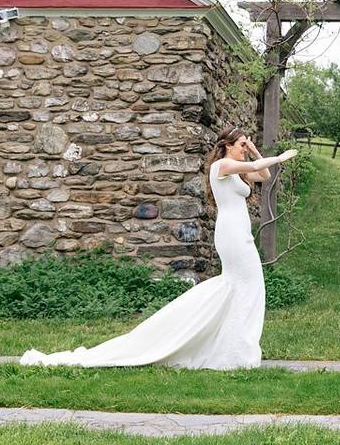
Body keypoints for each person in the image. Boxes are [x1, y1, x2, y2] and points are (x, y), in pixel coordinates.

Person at [19, 125, 298, 369]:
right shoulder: (221, 167)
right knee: (242, 285)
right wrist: (279, 156)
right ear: (226, 147)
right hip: (231, 236)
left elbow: (262, 175)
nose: (243, 150)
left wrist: (255, 151)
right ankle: (234, 351)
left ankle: (233, 346)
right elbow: (250, 169)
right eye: (240, 145)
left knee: (246, 287)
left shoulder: (238, 170)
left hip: (240, 234)